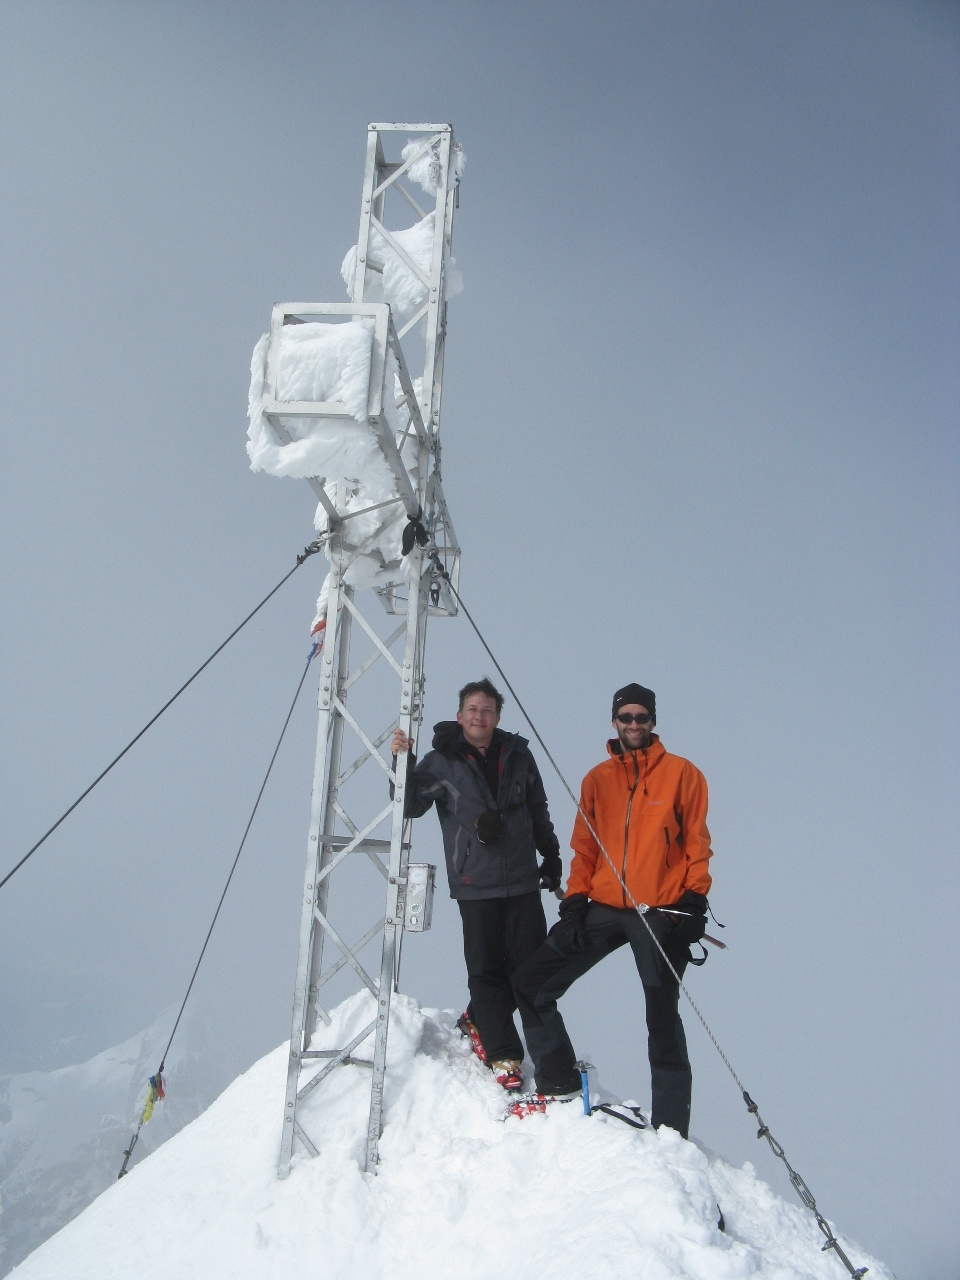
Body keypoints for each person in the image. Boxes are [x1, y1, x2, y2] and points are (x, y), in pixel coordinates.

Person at [511, 683, 713, 1137]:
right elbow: (585, 847)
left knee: (662, 1016)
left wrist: (694, 900)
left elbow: (697, 844)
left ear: (654, 721)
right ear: (615, 721)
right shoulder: (597, 779)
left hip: (659, 911)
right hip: (602, 905)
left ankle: (671, 1132)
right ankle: (559, 1078)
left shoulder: (683, 774)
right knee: (531, 982)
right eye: (627, 718)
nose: (635, 725)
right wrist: (577, 899)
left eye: (642, 717)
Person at [390, 678, 562, 1092]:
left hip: (521, 879)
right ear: (459, 715)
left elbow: (538, 807)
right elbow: (410, 805)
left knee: (529, 970)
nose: (479, 716)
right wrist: (404, 760)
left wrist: (551, 855)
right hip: (474, 883)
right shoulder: (441, 760)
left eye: (486, 710)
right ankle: (503, 1055)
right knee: (486, 969)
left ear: (498, 716)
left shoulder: (519, 756)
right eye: (472, 709)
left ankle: (478, 1018)